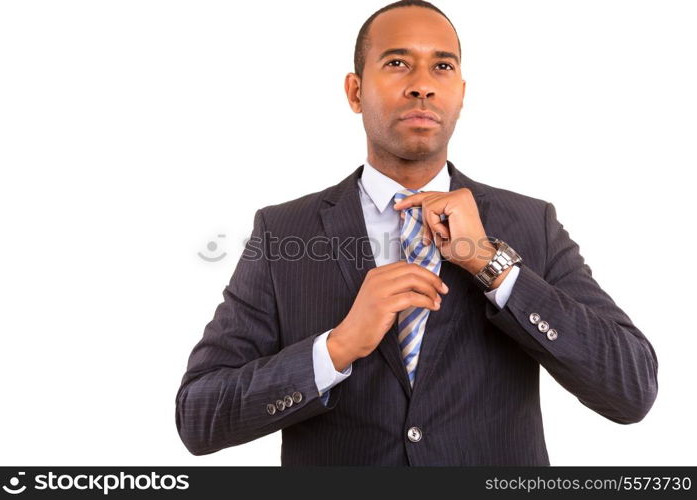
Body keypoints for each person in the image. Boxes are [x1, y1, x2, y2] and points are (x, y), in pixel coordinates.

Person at [175, 0, 658, 465]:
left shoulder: (532, 224)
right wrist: (336, 348)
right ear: (355, 91)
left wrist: (491, 264)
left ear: (461, 94)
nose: (422, 86)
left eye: (442, 67)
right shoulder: (283, 233)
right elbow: (198, 416)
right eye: (398, 63)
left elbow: (632, 389)